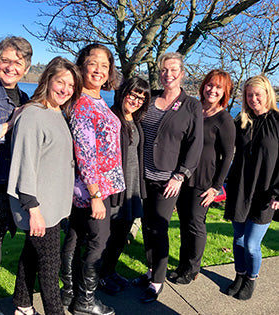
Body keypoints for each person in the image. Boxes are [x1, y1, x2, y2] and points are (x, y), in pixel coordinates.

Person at [7, 56, 82, 315]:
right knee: (50, 270)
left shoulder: (57, 113)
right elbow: (24, 164)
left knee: (30, 257)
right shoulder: (33, 115)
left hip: (52, 205)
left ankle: (22, 305)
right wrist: (33, 209)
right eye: (60, 82)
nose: (65, 89)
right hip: (38, 208)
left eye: (71, 86)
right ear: (47, 80)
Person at [135, 52, 203, 303]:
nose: (168, 74)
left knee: (160, 228)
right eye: (164, 70)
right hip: (143, 175)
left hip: (168, 180)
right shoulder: (150, 98)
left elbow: (195, 144)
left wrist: (181, 175)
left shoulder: (191, 105)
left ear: (182, 73)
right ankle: (151, 269)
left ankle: (157, 281)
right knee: (147, 226)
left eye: (173, 70)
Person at [64, 43, 125, 315]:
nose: (99, 69)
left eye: (105, 64)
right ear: (82, 66)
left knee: (76, 238)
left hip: (101, 187)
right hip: (93, 190)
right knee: (98, 242)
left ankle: (69, 294)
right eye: (93, 63)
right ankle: (86, 302)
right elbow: (85, 154)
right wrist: (96, 195)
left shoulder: (98, 100)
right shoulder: (82, 104)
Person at [0, 36, 32, 315]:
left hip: (7, 182)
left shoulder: (24, 98)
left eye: (18, 62)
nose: (11, 67)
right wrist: (8, 125)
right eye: (5, 60)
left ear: (26, 67)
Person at [169, 69, 236, 284]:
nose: (213, 90)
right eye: (210, 85)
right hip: (184, 176)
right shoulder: (195, 110)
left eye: (218, 87)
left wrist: (216, 187)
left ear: (225, 92)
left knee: (196, 224)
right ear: (203, 86)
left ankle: (191, 269)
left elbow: (227, 157)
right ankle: (182, 265)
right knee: (185, 222)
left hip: (204, 182)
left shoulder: (224, 119)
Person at [224, 75, 279, 300]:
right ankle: (240, 274)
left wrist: (278, 192)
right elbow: (224, 148)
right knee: (238, 239)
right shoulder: (241, 121)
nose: (254, 98)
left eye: (258, 94)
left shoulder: (277, 122)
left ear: (267, 94)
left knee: (252, 244)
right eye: (249, 95)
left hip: (266, 192)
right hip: (240, 189)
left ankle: (251, 279)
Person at [98, 77, 150, 294]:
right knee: (107, 237)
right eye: (133, 94)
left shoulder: (135, 121)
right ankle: (99, 276)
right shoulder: (111, 118)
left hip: (132, 187)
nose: (136, 100)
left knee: (121, 235)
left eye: (141, 97)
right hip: (114, 190)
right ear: (122, 93)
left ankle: (110, 270)